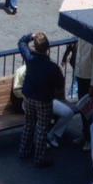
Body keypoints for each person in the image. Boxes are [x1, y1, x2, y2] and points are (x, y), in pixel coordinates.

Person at [17, 31, 64, 168]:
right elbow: (60, 85)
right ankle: (39, 159)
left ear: (35, 47)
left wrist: (30, 35)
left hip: (28, 96)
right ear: (47, 49)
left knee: (29, 123)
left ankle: (23, 151)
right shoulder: (52, 67)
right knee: (42, 128)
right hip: (43, 100)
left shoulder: (30, 58)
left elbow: (21, 42)